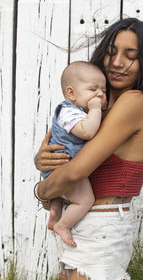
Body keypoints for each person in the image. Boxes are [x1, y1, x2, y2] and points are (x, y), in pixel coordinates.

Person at [34, 17, 143, 280]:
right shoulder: (97, 107)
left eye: (131, 56)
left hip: (101, 227)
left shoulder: (135, 102)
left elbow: (75, 172)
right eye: (111, 52)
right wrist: (44, 161)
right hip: (82, 222)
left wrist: (41, 190)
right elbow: (69, 160)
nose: (117, 62)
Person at [40, 61, 107, 247]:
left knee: (61, 198)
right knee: (86, 200)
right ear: (71, 93)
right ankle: (63, 225)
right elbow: (87, 132)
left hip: (61, 167)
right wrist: (95, 109)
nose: (100, 94)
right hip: (63, 167)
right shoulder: (68, 112)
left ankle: (55, 214)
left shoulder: (77, 111)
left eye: (103, 90)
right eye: (93, 89)